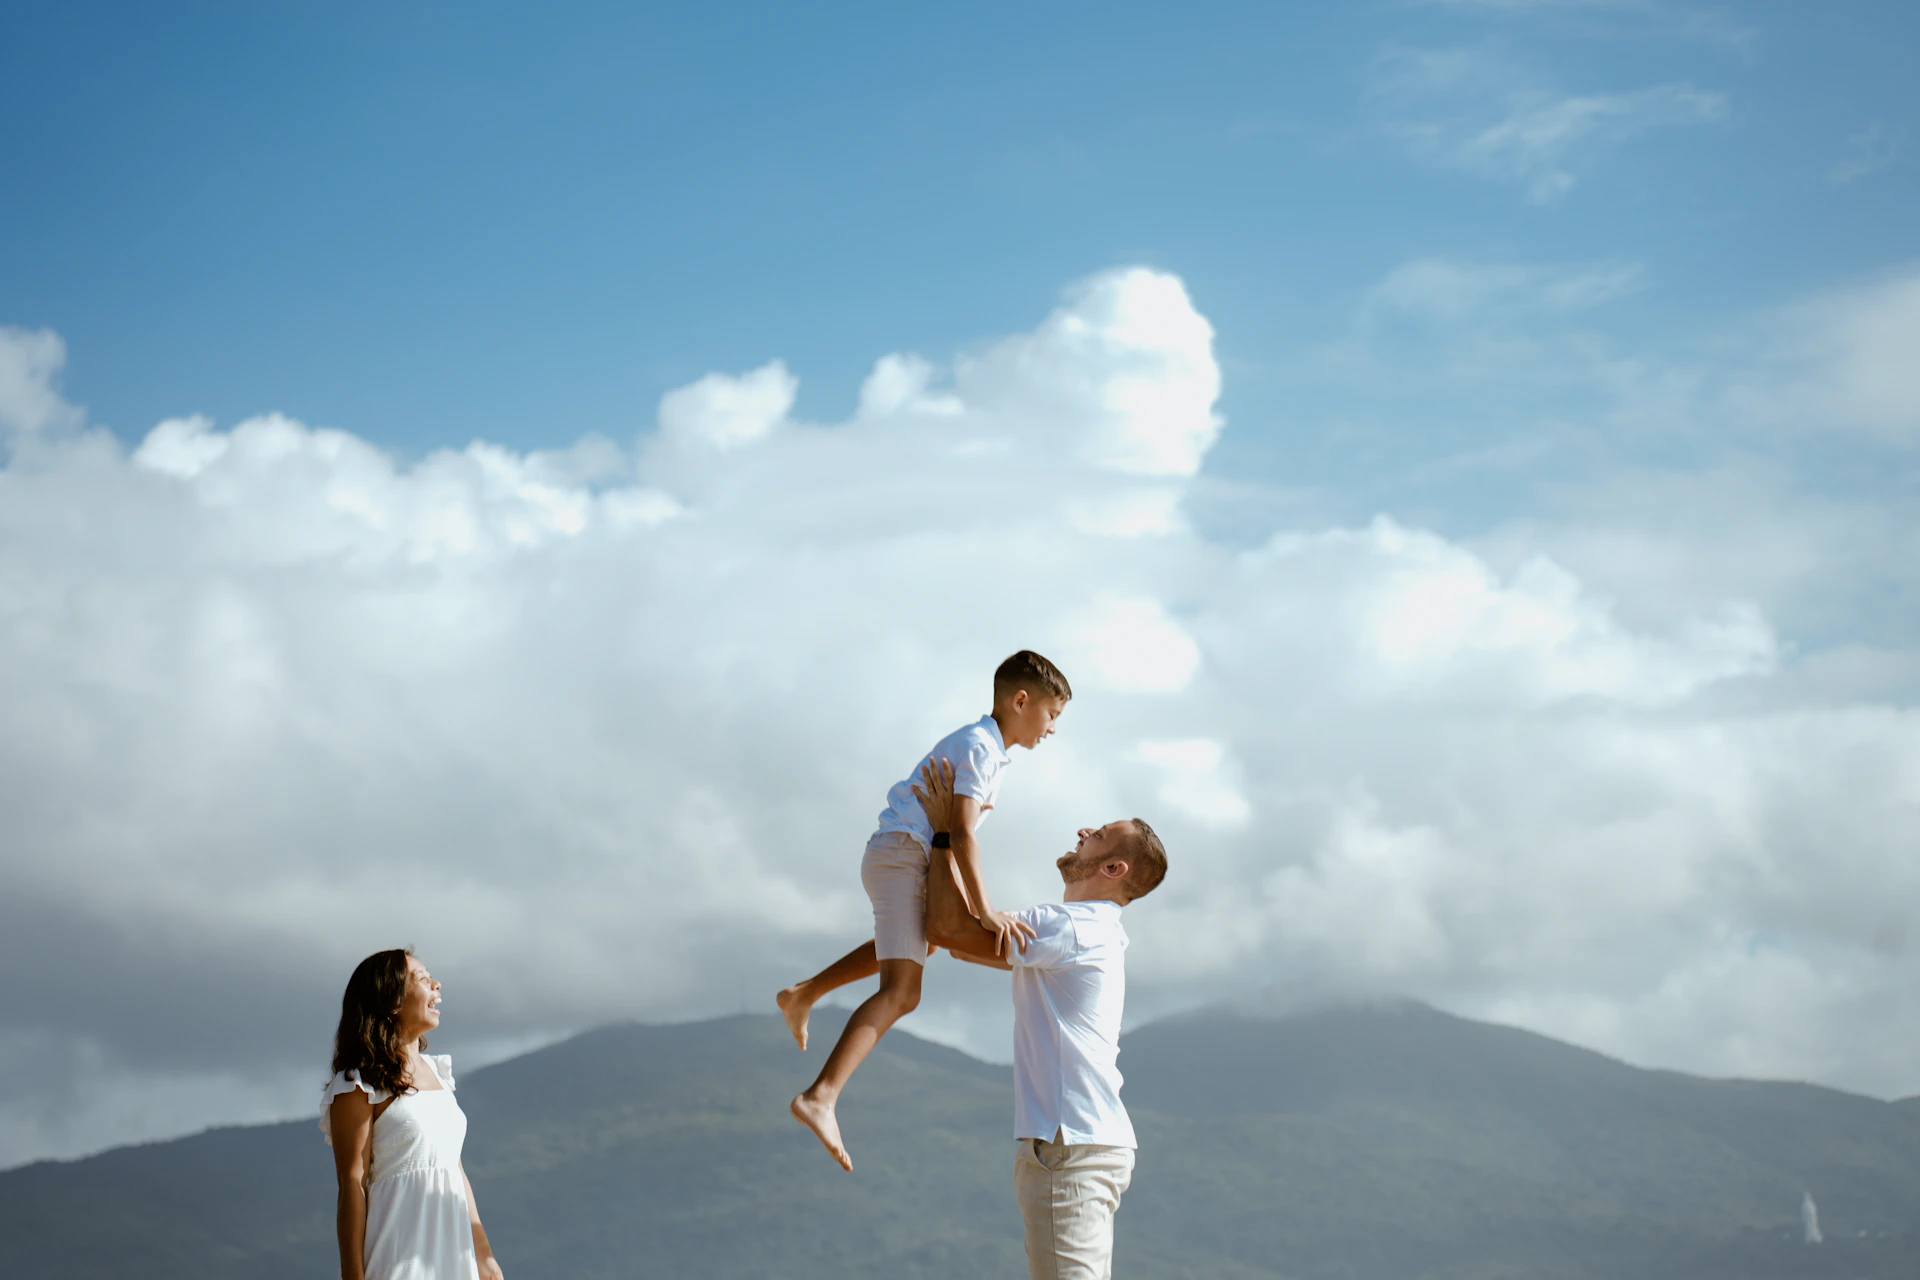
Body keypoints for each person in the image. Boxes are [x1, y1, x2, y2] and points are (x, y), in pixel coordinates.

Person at [781, 649, 1073, 1170]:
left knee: (926, 940)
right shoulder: (981, 748)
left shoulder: (986, 748)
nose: (1052, 729)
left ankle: (804, 993)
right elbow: (958, 831)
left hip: (900, 852)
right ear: (1021, 700)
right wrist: (984, 911)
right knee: (903, 991)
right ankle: (820, 1096)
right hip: (903, 853)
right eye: (1051, 715)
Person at [918, 755, 1168, 1280]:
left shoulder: (1069, 926)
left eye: (1098, 834)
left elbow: (946, 929)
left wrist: (945, 831)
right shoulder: (1088, 931)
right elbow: (961, 941)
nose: (1083, 831)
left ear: (1113, 869)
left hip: (1069, 1146)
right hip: (1085, 1143)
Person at [321, 949, 505, 1280]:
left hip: (452, 1249)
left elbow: (455, 1167)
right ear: (391, 1001)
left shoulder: (440, 1075)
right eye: (421, 978)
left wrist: (483, 1253)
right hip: (397, 1251)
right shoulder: (357, 1085)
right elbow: (352, 1184)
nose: (436, 984)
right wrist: (352, 1273)